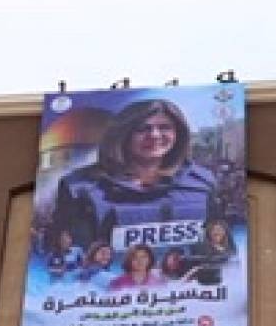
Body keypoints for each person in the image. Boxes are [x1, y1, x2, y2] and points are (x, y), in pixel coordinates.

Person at [52, 99, 222, 249]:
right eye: (143, 129)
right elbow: (67, 253)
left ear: (179, 134)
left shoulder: (203, 182)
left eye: (165, 128)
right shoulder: (79, 188)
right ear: (122, 135)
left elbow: (220, 244)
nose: (154, 135)